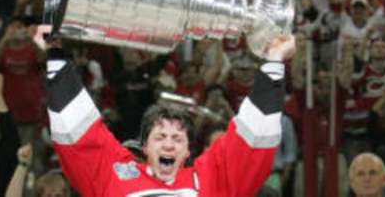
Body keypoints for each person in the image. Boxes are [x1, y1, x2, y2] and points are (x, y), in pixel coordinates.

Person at [38, 24, 295, 196]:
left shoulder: (207, 182)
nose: (169, 144)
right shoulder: (116, 175)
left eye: (177, 138)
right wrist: (55, 54)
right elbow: (79, 136)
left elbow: (250, 144)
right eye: (160, 137)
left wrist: (274, 60)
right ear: (145, 147)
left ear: (187, 152)